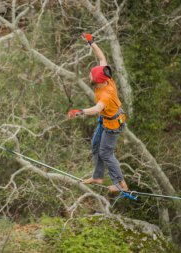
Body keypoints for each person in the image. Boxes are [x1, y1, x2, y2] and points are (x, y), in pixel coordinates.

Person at [67, 33, 128, 192]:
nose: (89, 74)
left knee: (106, 153)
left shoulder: (105, 95)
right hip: (106, 120)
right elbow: (101, 57)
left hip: (113, 125)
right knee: (95, 146)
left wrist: (79, 112)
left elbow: (96, 109)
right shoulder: (106, 78)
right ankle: (98, 177)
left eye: (91, 75)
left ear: (97, 81)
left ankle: (121, 185)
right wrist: (91, 42)